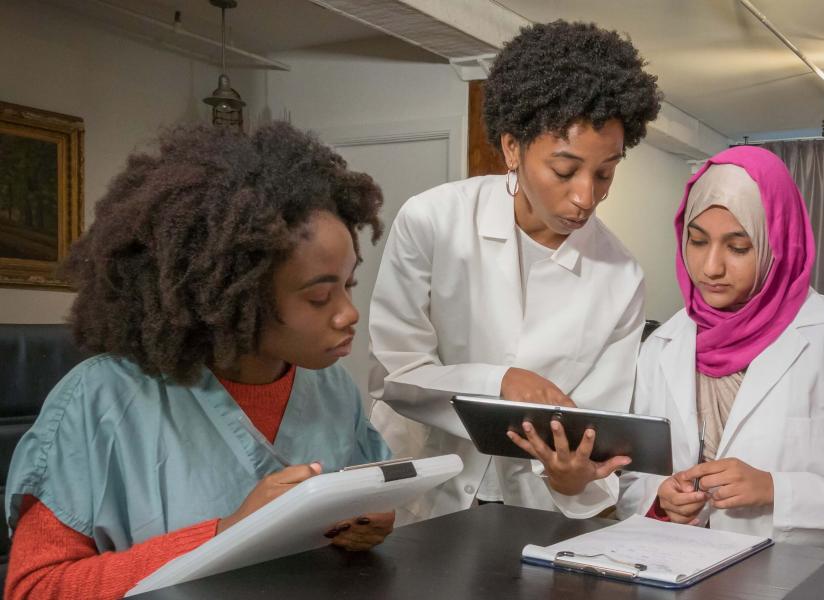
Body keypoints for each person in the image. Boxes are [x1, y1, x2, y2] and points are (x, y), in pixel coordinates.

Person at [4, 122, 395, 599]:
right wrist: (226, 533)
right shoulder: (99, 400)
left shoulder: (331, 388)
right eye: (319, 297)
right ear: (237, 297)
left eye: (349, 284)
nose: (349, 314)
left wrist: (368, 525)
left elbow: (355, 507)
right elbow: (34, 589)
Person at [368, 20, 661, 523]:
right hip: (420, 496)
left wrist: (572, 476)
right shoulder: (433, 221)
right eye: (564, 170)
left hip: (531, 511)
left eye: (605, 173)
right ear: (511, 148)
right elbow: (395, 376)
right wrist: (500, 381)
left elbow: (593, 431)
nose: (585, 197)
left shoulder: (620, 276)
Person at [613, 145, 824, 548]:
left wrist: (775, 491)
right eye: (697, 241)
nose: (711, 267)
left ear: (777, 243)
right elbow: (635, 481)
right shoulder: (661, 345)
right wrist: (661, 502)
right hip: (676, 567)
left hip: (794, 577)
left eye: (738, 247)